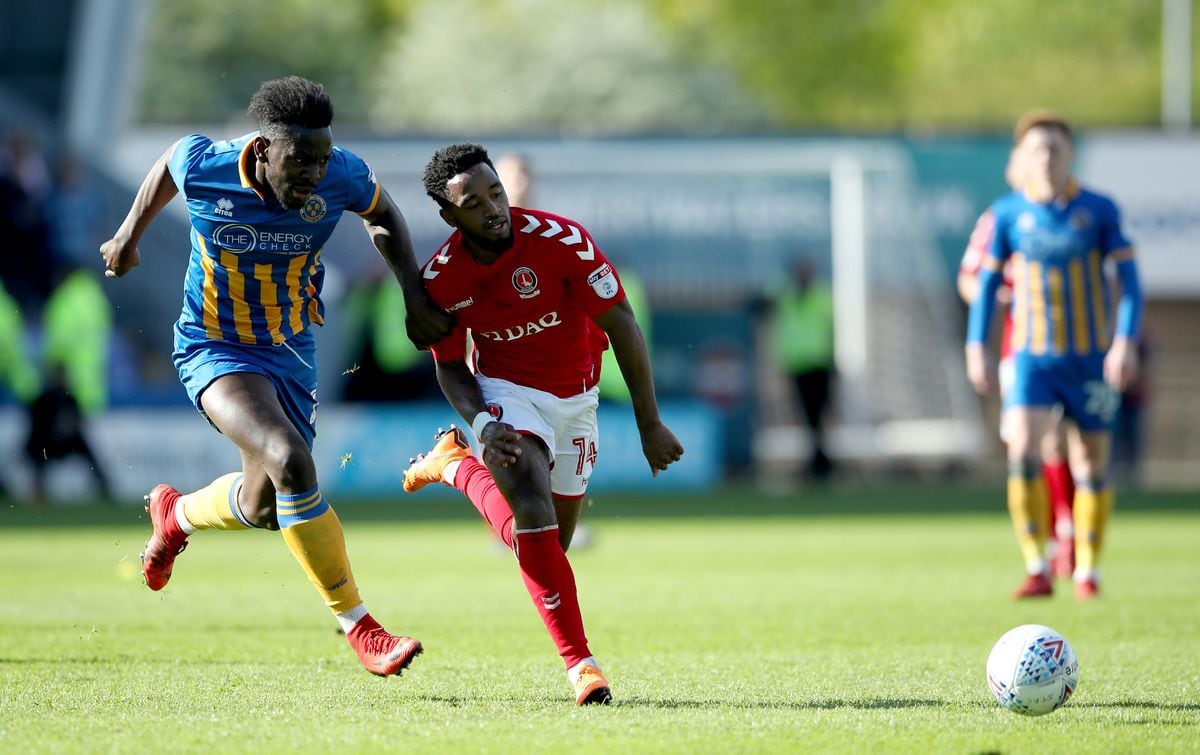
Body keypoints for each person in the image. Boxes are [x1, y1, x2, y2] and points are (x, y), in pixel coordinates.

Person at [99, 76, 452, 676]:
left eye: (321, 159)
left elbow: (384, 213)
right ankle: (360, 627)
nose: (315, 173)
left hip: (290, 348)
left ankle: (177, 516)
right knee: (290, 458)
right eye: (301, 161)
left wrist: (413, 294)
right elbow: (168, 165)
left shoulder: (341, 172)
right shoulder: (207, 164)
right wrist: (129, 234)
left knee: (266, 505)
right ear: (264, 150)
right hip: (214, 345)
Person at [401, 143, 684, 705]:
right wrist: (483, 423)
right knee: (530, 506)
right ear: (448, 215)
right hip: (506, 394)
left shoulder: (563, 242)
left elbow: (623, 324)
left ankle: (455, 469)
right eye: (473, 202)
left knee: (550, 543)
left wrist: (649, 423)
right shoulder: (443, 276)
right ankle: (582, 666)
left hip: (578, 399)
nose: (492, 208)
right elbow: (453, 369)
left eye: (495, 193)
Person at [965, 111, 1142, 601]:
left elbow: (1129, 283)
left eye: (1055, 148)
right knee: (1022, 446)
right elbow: (983, 288)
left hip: (1089, 358)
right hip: (1031, 357)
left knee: (1091, 460)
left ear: (1071, 153)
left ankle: (1087, 570)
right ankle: (1037, 565)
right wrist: (975, 347)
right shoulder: (1006, 214)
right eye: (1037, 149)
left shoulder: (1099, 209)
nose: (1047, 156)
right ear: (1021, 158)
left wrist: (1124, 341)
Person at [958, 148, 1077, 583]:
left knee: (1063, 440)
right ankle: (1047, 544)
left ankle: (1069, 534)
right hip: (1022, 347)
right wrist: (1000, 298)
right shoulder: (999, 218)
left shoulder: (1077, 216)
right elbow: (971, 277)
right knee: (1033, 442)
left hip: (1076, 347)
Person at [768, 256, 835, 479]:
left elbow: (830, 326)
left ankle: (820, 462)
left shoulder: (821, 294)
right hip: (798, 365)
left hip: (819, 363)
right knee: (809, 416)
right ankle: (820, 462)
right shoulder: (787, 293)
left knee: (817, 416)